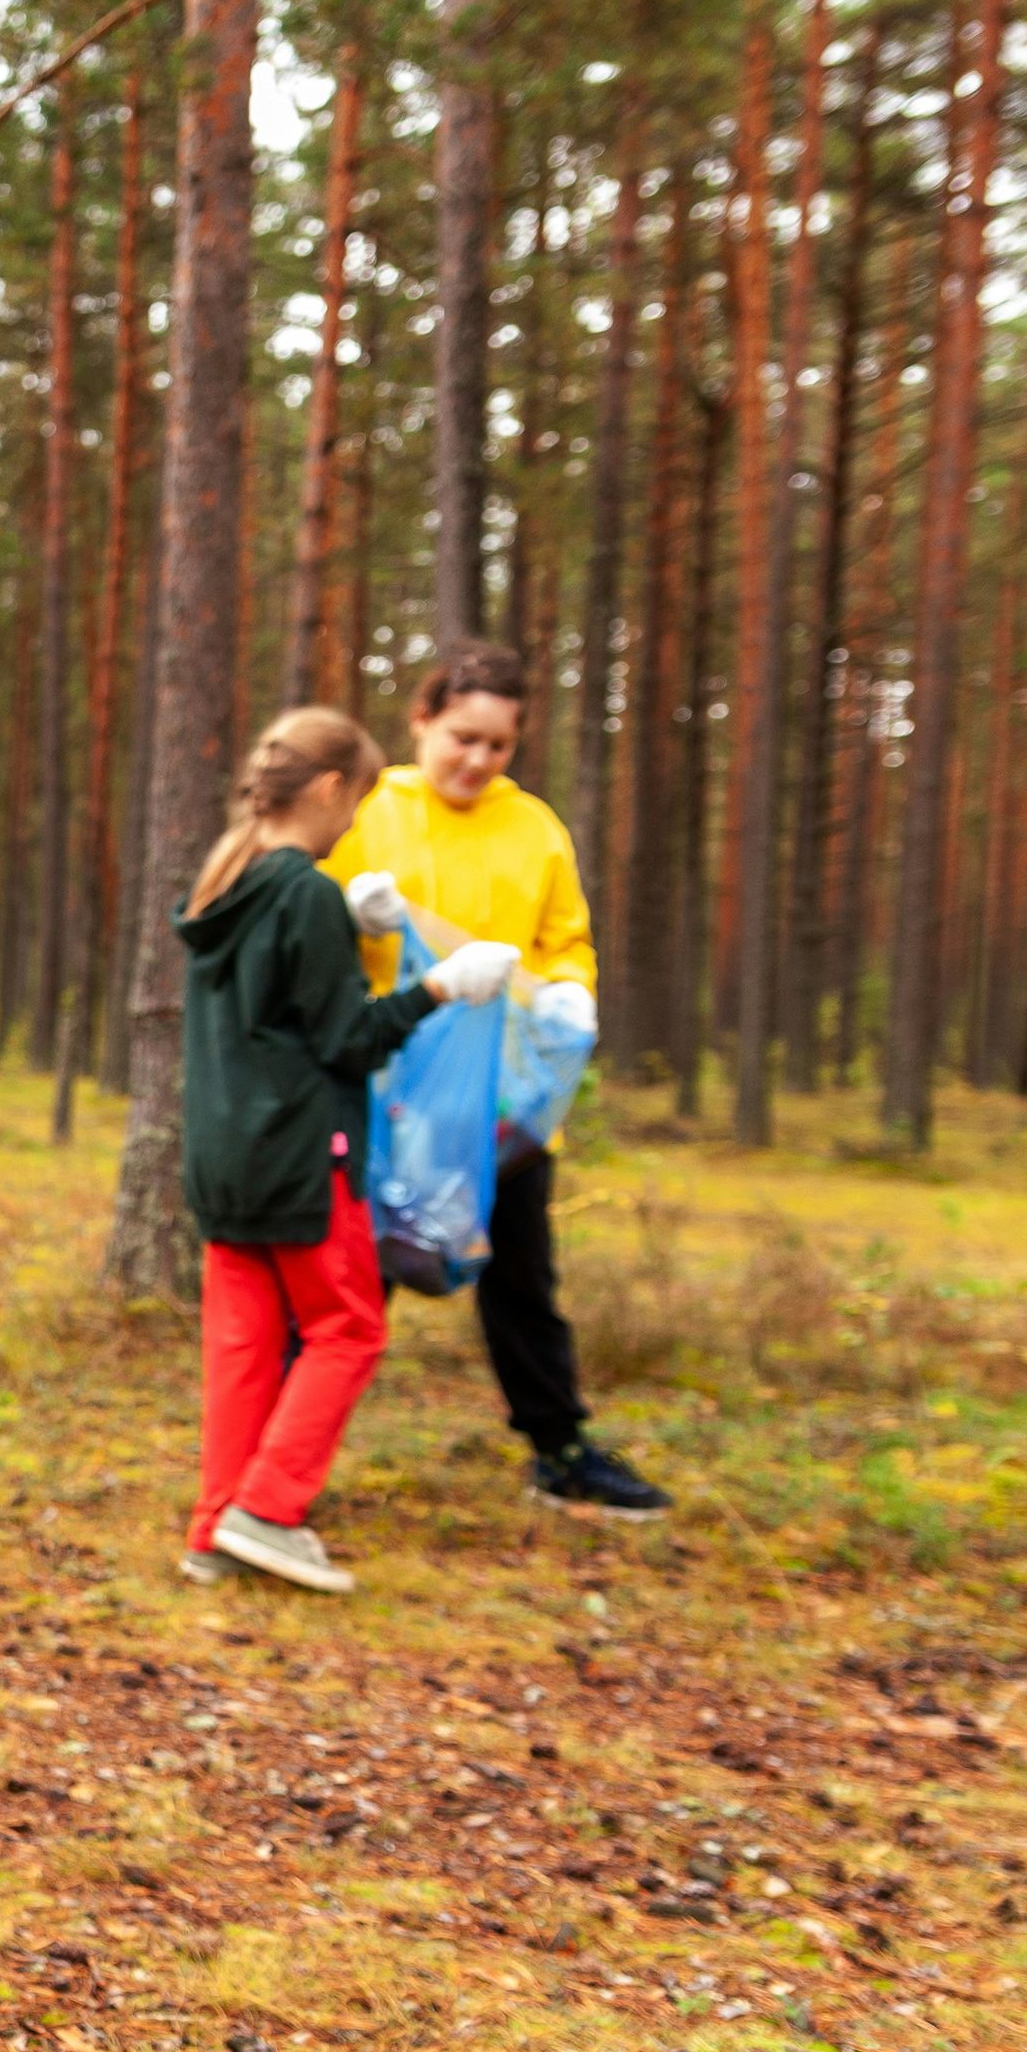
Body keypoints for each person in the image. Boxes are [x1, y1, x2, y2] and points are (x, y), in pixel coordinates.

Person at [175, 706, 523, 1595]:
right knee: (349, 1328)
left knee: (244, 1344)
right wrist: (441, 985)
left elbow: (282, 1012)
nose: (357, 821)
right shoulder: (305, 892)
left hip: (223, 1157)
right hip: (302, 1154)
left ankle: (215, 1529)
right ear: (330, 789)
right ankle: (271, 1509)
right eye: (359, 800)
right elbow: (348, 1042)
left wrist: (370, 935)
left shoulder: (222, 889)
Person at [323, 641, 674, 1516]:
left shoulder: (535, 829)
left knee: (522, 1279)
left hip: (505, 1104)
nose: (477, 760)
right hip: (389, 1088)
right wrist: (347, 909)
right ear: (422, 721)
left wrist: (571, 997)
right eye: (462, 738)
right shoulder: (368, 812)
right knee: (354, 1280)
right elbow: (305, 910)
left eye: (497, 745)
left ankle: (559, 1450)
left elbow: (566, 941)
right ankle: (287, 1458)